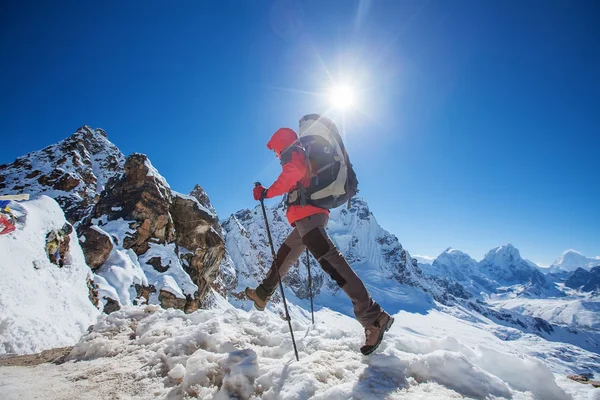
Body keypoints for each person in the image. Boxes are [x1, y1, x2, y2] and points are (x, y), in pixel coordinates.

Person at [245, 127, 394, 355]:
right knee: (285, 255)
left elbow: (292, 172)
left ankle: (373, 318)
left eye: (275, 150)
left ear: (280, 145)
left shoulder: (292, 153)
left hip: (309, 218)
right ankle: (263, 294)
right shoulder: (302, 153)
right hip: (308, 219)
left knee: (332, 263)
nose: (276, 155)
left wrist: (266, 192)